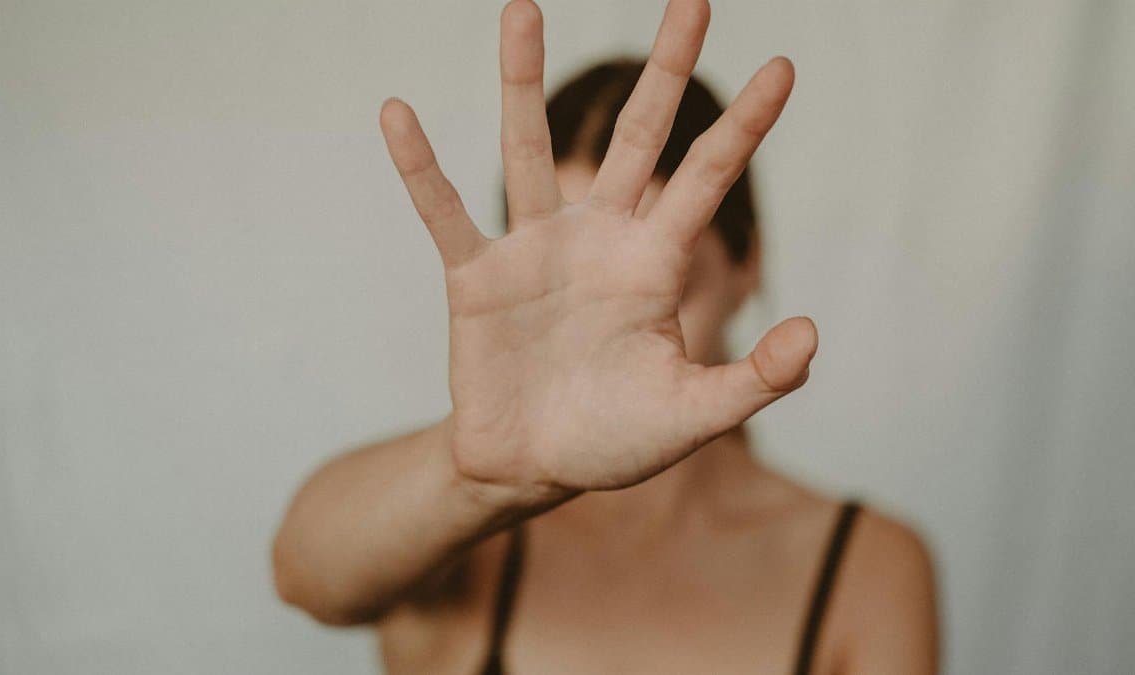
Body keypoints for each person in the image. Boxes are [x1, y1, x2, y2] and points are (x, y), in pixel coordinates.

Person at [271, 1, 939, 673]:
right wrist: (471, 475)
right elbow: (303, 573)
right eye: (566, 292)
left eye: (666, 284)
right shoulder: (463, 537)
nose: (604, 330)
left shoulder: (864, 565)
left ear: (747, 261)